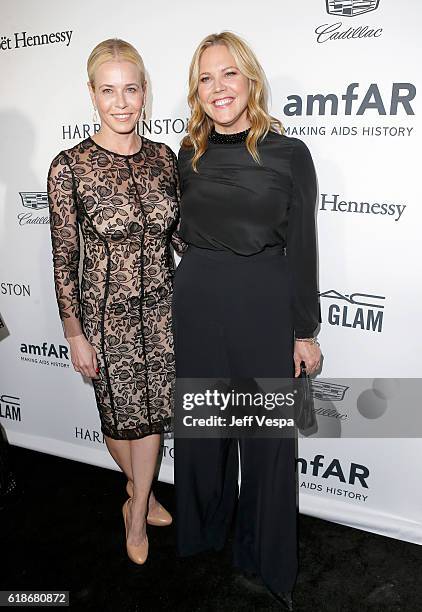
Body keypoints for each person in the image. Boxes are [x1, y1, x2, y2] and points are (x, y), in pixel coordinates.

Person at [172, 32, 321, 610]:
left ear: (250, 80)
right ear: (196, 90)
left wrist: (303, 330)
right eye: (206, 78)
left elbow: (303, 246)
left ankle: (266, 555)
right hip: (198, 298)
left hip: (263, 300)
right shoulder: (190, 154)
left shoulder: (290, 153)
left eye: (228, 74)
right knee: (205, 430)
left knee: (267, 439)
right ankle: (204, 533)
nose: (218, 88)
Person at [47, 38, 186, 565]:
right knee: (117, 420)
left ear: (145, 92)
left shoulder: (163, 160)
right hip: (105, 319)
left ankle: (135, 514)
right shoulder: (71, 167)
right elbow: (64, 257)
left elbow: (181, 239)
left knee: (151, 419)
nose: (121, 102)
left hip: (163, 314)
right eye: (109, 90)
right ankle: (140, 491)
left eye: (130, 89)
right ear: (92, 94)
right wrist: (74, 332)